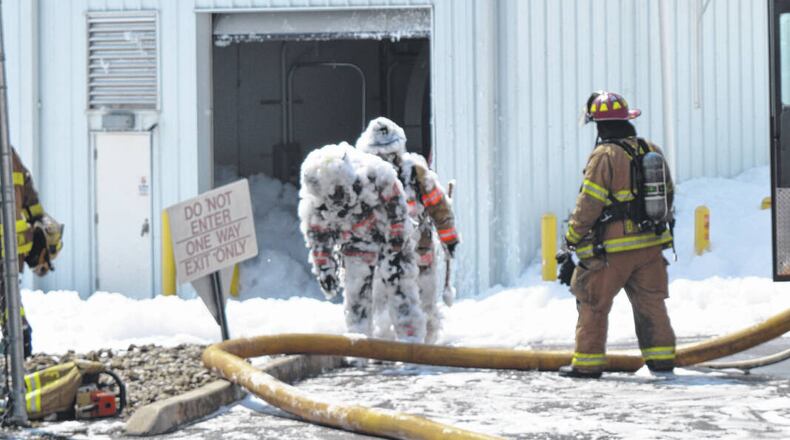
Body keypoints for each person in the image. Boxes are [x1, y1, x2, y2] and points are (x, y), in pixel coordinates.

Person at [559, 91, 676, 379]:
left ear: (599, 126)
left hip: (611, 252)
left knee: (592, 304)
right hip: (650, 247)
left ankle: (586, 364)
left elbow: (589, 203)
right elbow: (669, 193)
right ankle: (662, 361)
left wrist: (571, 240)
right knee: (651, 305)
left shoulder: (604, 156)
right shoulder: (651, 149)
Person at [298, 142, 426, 342]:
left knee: (401, 289)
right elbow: (318, 237)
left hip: (389, 237)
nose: (336, 202)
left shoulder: (376, 175)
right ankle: (359, 346)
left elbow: (398, 212)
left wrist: (396, 244)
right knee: (356, 298)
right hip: (355, 243)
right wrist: (325, 269)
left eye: (340, 194)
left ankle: (412, 344)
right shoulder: (316, 203)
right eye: (330, 198)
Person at [355, 117, 459, 344]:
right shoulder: (362, 178)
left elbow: (439, 208)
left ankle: (425, 348)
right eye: (379, 155)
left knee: (425, 304)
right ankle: (384, 346)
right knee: (380, 304)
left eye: (389, 154)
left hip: (418, 254)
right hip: (381, 258)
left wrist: (449, 240)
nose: (385, 160)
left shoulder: (416, 174)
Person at [1, 148, 63, 358]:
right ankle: (20, 342)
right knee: (9, 300)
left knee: (8, 300)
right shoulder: (9, 154)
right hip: (10, 250)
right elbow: (33, 206)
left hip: (11, 248)